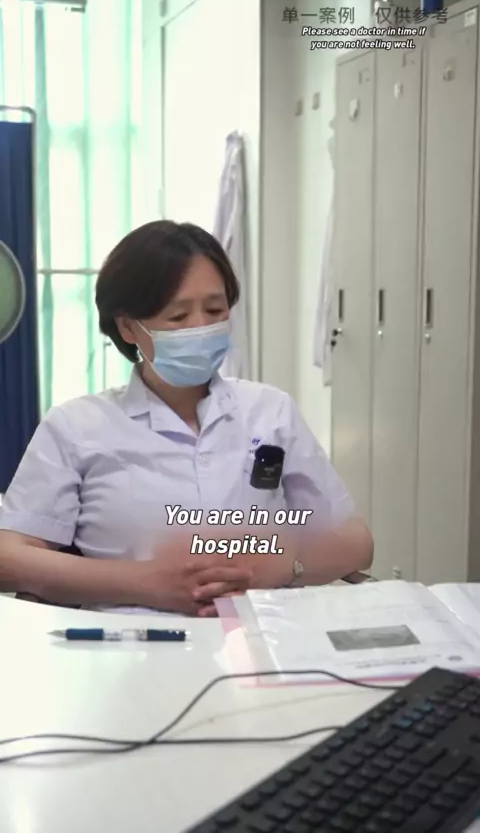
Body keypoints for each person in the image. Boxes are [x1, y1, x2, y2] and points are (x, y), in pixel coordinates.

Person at [0, 221, 373, 616]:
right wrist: (144, 583)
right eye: (178, 316)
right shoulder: (76, 427)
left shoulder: (270, 411)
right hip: (131, 641)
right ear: (128, 327)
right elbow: (9, 557)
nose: (201, 327)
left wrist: (279, 567)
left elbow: (355, 541)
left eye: (215, 310)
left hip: (262, 634)